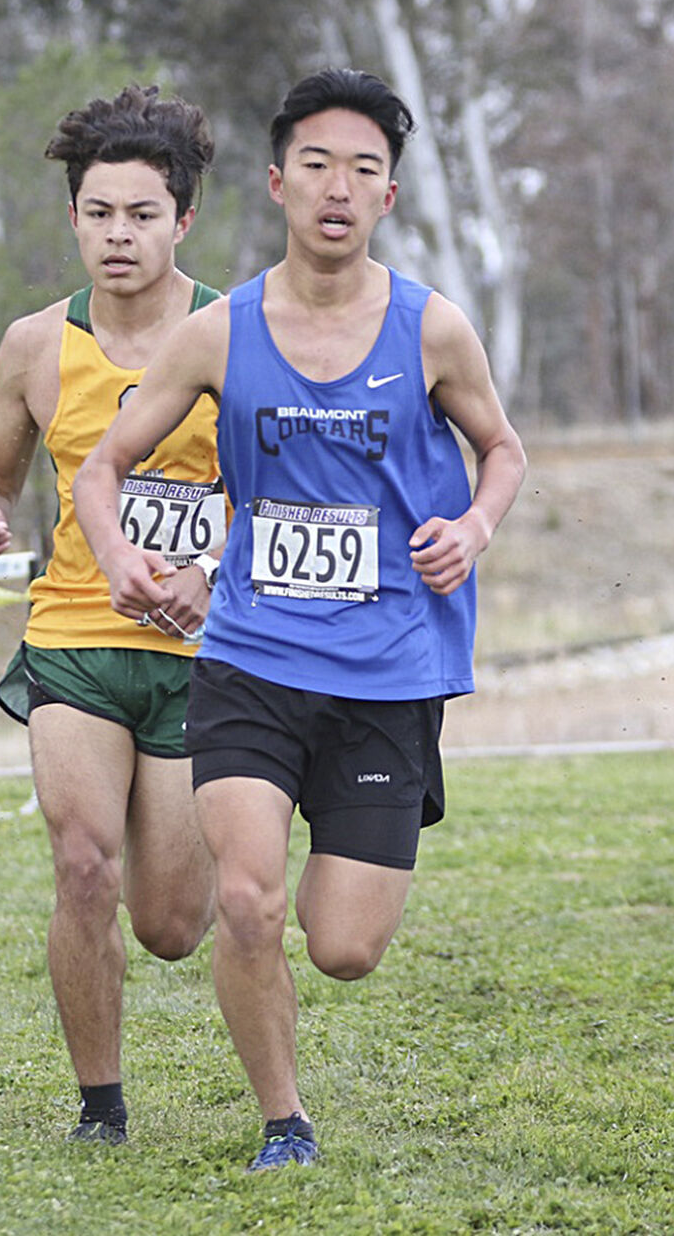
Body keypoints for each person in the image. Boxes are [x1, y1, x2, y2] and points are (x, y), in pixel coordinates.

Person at [72, 67, 527, 1172]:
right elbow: (105, 464)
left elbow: (504, 452)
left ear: (389, 196)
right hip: (250, 659)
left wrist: (472, 528)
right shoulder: (223, 331)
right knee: (244, 893)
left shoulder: (433, 329)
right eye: (316, 165)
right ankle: (285, 1119)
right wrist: (124, 553)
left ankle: (321, 972)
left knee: (345, 945)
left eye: (362, 170)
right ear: (277, 183)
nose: (337, 187)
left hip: (385, 670)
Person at [0, 84, 225, 1145]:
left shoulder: (233, 334)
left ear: (183, 220)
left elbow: (280, 490)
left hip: (199, 652)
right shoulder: (33, 346)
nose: (119, 235)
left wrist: (217, 569)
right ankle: (100, 1105)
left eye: (142, 214)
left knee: (170, 923)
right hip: (72, 635)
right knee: (81, 864)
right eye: (100, 213)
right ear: (74, 216)